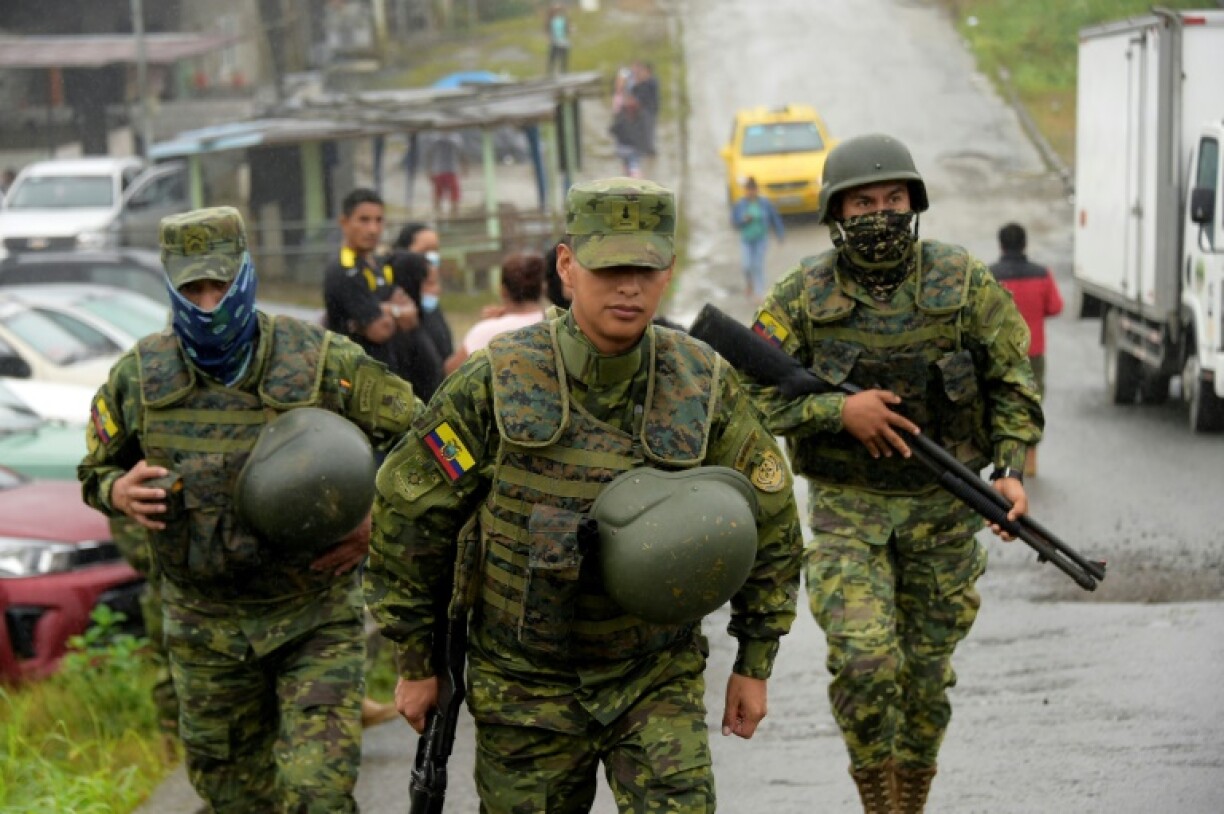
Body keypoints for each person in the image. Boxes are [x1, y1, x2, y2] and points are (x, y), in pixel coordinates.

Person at [364, 177, 803, 813]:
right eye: (610, 267)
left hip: (655, 675)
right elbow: (412, 515)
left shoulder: (701, 383)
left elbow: (772, 520)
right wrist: (414, 660)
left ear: (668, 271)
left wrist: (755, 661)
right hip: (524, 686)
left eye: (646, 268)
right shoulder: (497, 382)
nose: (629, 286)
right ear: (568, 265)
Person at [78, 206, 421, 812]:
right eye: (192, 289)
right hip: (204, 626)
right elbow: (95, 472)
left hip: (311, 617)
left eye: (220, 285)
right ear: (172, 287)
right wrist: (116, 491)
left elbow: (426, 443)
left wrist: (376, 525)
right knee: (232, 797)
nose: (208, 303)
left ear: (245, 276)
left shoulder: (318, 360)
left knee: (317, 792)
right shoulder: (139, 377)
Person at [743, 134, 1043, 814]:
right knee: (866, 663)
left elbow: (1011, 378)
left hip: (946, 510)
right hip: (849, 513)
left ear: (914, 205)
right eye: (863, 202)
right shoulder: (802, 294)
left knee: (926, 681)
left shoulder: (961, 280)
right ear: (836, 213)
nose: (880, 213)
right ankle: (877, 798)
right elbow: (749, 392)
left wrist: (1012, 469)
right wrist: (837, 411)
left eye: (893, 199)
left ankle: (910, 802)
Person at [990, 222, 1063, 477]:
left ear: (1000, 245)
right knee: (1032, 402)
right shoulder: (1042, 274)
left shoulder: (990, 275)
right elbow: (1055, 307)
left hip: (999, 354)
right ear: (1025, 244)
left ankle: (1007, 461)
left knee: (1002, 402)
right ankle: (1030, 458)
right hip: (1033, 353)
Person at [323, 188, 419, 371]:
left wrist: (384, 310)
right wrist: (395, 312)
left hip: (391, 372)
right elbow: (380, 330)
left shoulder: (379, 264)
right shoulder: (343, 270)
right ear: (344, 222)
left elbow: (412, 317)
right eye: (364, 220)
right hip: (357, 375)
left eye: (379, 220)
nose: (373, 229)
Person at [443, 251, 546, 374]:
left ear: (503, 291)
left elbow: (450, 370)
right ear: (542, 288)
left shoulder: (485, 331)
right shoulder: (555, 322)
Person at [393, 222, 454, 360]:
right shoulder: (399, 303)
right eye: (424, 251)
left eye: (435, 250)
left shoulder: (431, 303)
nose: (432, 256)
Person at [731, 177, 785, 299]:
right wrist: (743, 220)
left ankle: (759, 292)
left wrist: (780, 233)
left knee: (757, 265)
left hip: (761, 239)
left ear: (756, 190)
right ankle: (749, 283)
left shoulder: (764, 203)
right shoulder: (741, 204)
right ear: (745, 191)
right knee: (746, 265)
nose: (751, 192)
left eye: (753, 189)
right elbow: (734, 221)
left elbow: (774, 218)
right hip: (746, 240)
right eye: (748, 190)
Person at [424, 132, 467, 218]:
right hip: (438, 170)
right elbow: (429, 154)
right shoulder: (433, 137)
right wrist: (429, 169)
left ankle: (454, 215)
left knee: (454, 194)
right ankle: (438, 215)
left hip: (451, 170)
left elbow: (462, 154)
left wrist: (464, 166)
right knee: (437, 194)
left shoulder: (456, 137)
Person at [630, 61, 660, 157]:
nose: (642, 73)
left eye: (644, 71)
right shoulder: (640, 82)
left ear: (648, 71)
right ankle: (643, 148)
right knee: (642, 129)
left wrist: (642, 81)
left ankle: (650, 150)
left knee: (649, 128)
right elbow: (634, 92)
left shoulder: (652, 81)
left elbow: (649, 93)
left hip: (649, 108)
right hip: (640, 109)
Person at [546, 4, 571, 75]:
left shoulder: (563, 20)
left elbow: (567, 29)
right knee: (552, 57)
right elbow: (548, 30)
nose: (557, 12)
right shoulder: (551, 20)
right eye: (556, 11)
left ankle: (564, 72)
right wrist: (550, 38)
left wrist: (570, 30)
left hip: (563, 40)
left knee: (564, 58)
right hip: (555, 41)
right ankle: (550, 72)